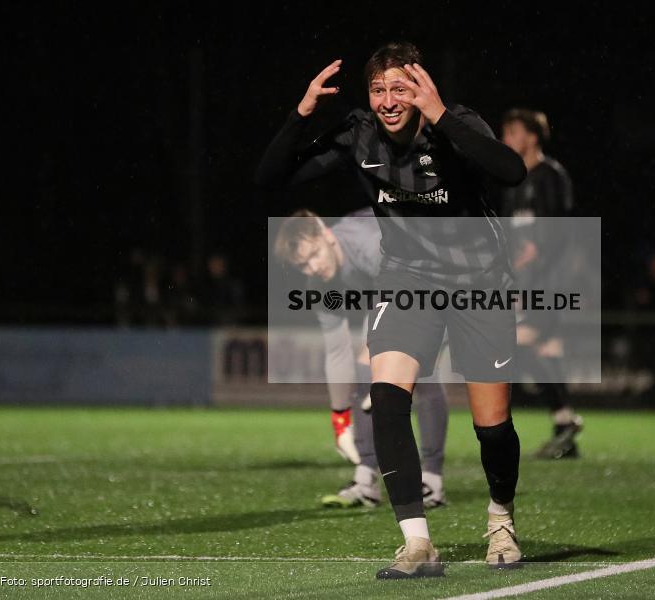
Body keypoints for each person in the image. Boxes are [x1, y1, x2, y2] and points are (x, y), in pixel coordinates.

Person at [256, 42, 527, 577]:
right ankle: (418, 543)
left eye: (399, 88)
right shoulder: (360, 135)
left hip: (479, 282)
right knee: (385, 399)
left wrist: (442, 114)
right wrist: (301, 113)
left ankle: (500, 518)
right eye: (378, 90)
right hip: (408, 279)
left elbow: (512, 171)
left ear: (421, 87)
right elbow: (269, 178)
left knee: (492, 428)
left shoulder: (453, 123)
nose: (387, 100)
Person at [272, 208, 448, 509]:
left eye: (313, 255)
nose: (311, 268)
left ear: (326, 236)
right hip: (401, 288)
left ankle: (431, 481)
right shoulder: (319, 285)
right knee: (365, 369)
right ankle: (366, 478)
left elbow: (413, 298)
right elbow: (336, 351)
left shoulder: (370, 244)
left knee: (420, 374)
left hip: (439, 276)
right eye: (302, 265)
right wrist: (340, 419)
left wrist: (380, 356)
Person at [500, 109, 584, 459]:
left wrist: (538, 257)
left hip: (549, 282)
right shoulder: (515, 180)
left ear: (531, 137)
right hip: (527, 281)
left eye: (512, 132)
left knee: (519, 341)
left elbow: (560, 230)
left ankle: (566, 420)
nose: (506, 139)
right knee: (540, 348)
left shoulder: (550, 176)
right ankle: (565, 429)